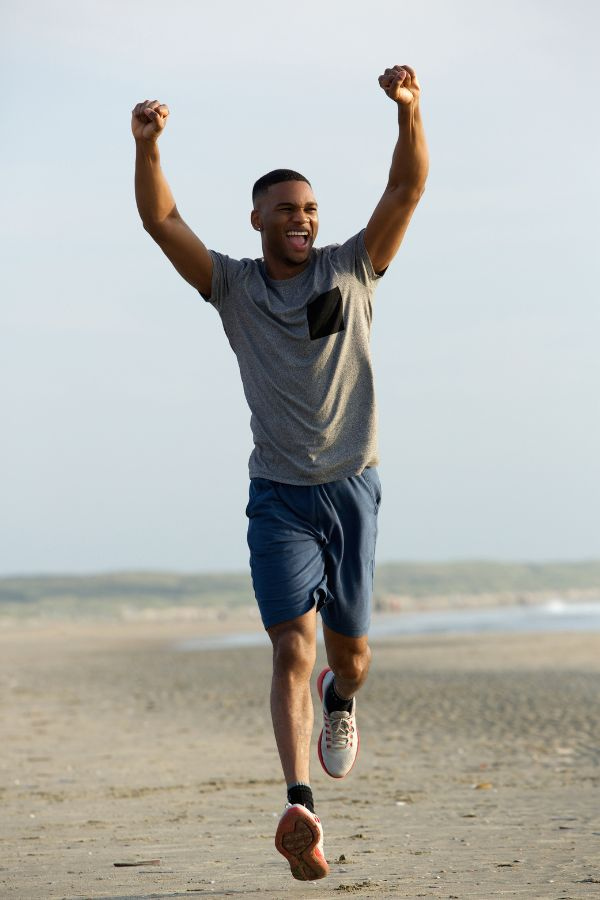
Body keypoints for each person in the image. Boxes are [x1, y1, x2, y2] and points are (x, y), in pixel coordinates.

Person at [132, 64, 428, 881]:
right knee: (290, 648)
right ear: (257, 217)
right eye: (286, 210)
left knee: (349, 658)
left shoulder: (351, 269)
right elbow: (162, 220)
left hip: (353, 487)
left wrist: (409, 111)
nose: (301, 221)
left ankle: (344, 701)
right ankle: (300, 801)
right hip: (278, 499)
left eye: (309, 211)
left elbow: (405, 191)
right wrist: (148, 146)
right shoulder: (232, 286)